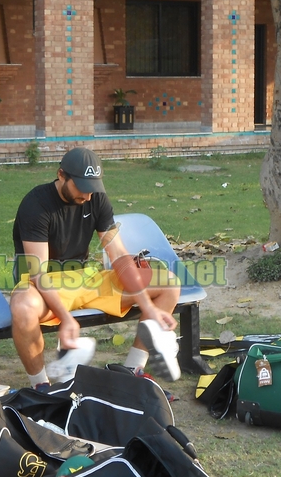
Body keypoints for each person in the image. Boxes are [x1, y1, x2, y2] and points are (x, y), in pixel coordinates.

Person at [11, 147, 182, 390]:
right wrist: (67, 318)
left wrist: (149, 307)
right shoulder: (36, 204)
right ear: (61, 175)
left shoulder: (95, 196)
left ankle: (132, 370)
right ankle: (42, 388)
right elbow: (38, 274)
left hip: (84, 278)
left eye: (92, 187)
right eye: (81, 187)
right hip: (44, 284)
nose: (88, 196)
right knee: (22, 306)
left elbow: (120, 255)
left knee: (169, 284)